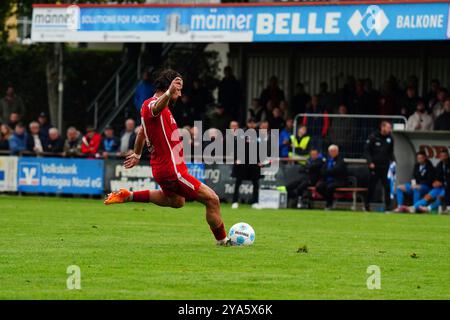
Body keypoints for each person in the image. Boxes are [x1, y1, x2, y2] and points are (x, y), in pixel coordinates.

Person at [104, 69, 231, 246]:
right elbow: (155, 108)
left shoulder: (163, 110)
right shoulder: (153, 104)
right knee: (212, 199)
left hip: (165, 168)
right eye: (178, 90)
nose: (179, 94)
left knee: (176, 201)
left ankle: (129, 195)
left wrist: (138, 153)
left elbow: (142, 132)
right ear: (169, 87)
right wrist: (170, 92)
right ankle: (223, 241)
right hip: (173, 170)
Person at [364, 121, 395, 211]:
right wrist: (370, 162)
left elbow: (390, 152)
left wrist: (393, 161)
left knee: (387, 186)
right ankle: (367, 205)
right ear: (382, 127)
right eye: (388, 127)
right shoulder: (373, 137)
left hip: (385, 167)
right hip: (374, 166)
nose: (390, 129)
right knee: (372, 186)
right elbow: (366, 151)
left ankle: (388, 206)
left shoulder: (390, 139)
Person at [231, 118, 261, 209]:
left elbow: (261, 148)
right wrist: (236, 159)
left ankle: (255, 202)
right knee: (238, 182)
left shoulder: (258, 134)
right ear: (247, 123)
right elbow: (236, 147)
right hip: (242, 162)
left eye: (253, 123)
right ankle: (235, 201)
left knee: (256, 183)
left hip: (254, 162)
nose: (251, 125)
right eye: (250, 123)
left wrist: (260, 160)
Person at [409, 149, 449, 213]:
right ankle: (414, 207)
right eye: (441, 156)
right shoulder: (440, 165)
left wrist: (441, 183)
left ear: (447, 156)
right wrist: (435, 182)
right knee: (428, 196)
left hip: (447, 188)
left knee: (440, 197)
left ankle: (428, 208)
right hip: (439, 188)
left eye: (444, 156)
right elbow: (436, 177)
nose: (443, 157)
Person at [315, 145, 348, 210]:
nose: (331, 153)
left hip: (338, 181)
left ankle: (329, 204)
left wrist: (327, 172)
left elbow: (337, 170)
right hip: (327, 180)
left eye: (333, 151)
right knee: (319, 187)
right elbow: (323, 169)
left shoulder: (340, 160)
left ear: (337, 151)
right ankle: (330, 199)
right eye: (330, 151)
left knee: (330, 187)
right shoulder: (328, 160)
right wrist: (325, 172)